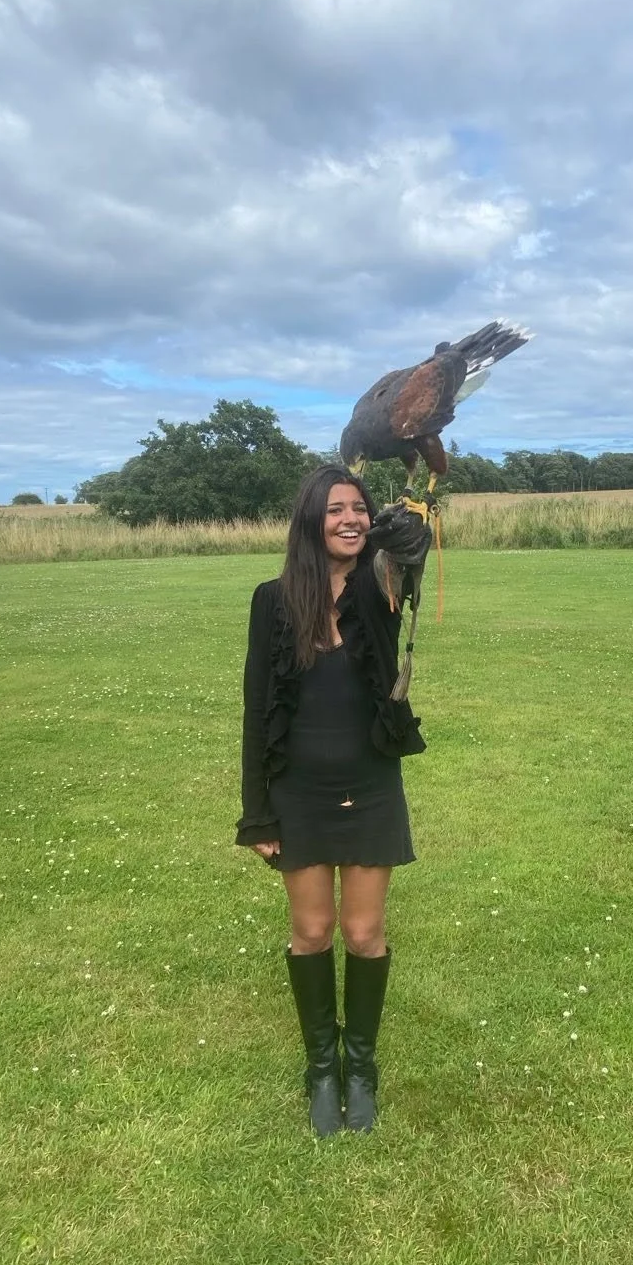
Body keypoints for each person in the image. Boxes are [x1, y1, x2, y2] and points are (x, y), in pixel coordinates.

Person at [236, 464, 431, 1137]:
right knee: (313, 932)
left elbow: (409, 549)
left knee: (364, 933)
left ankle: (360, 1066)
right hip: (298, 791)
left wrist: (409, 525)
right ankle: (322, 1069)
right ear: (310, 521)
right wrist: (256, 811)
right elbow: (256, 708)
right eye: (335, 509)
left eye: (359, 508)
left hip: (371, 785)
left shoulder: (382, 586)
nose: (350, 519)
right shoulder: (272, 600)